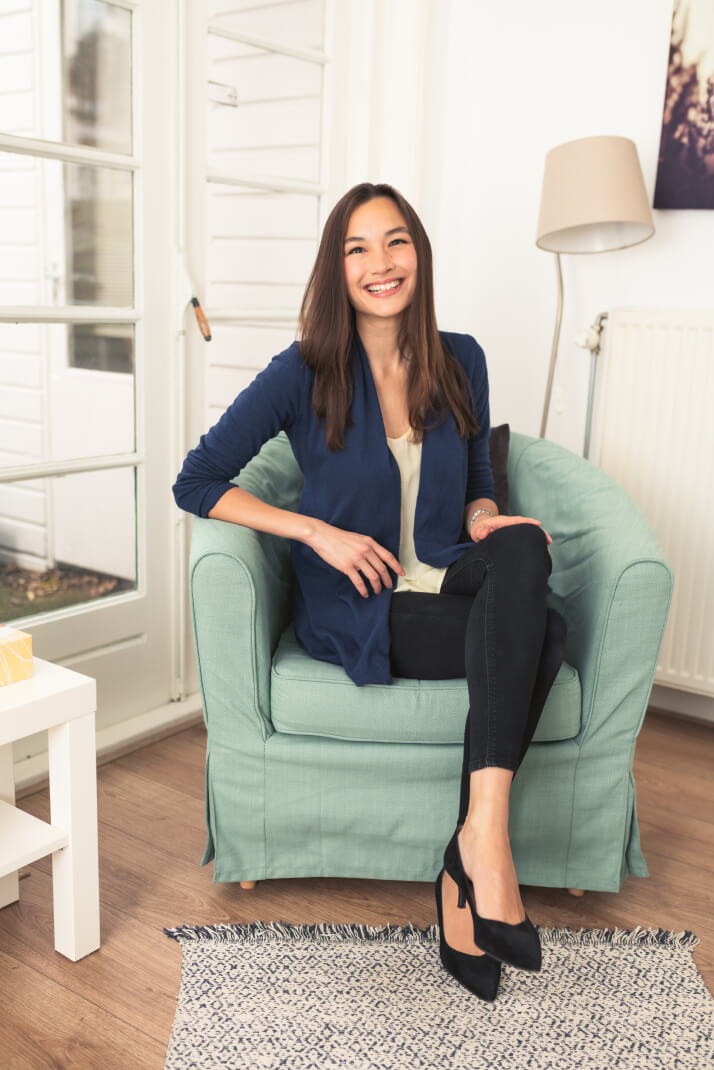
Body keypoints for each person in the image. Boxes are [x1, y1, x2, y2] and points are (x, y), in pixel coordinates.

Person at [172, 181, 567, 1003]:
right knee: (546, 638)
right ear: (337, 266)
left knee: (527, 551)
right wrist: (312, 531)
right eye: (358, 248)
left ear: (418, 255)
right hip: (363, 603)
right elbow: (198, 480)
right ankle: (477, 869)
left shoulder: (462, 357)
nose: (381, 263)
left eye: (396, 243)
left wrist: (490, 515)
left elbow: (482, 480)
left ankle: (474, 847)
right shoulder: (304, 370)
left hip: (450, 568)